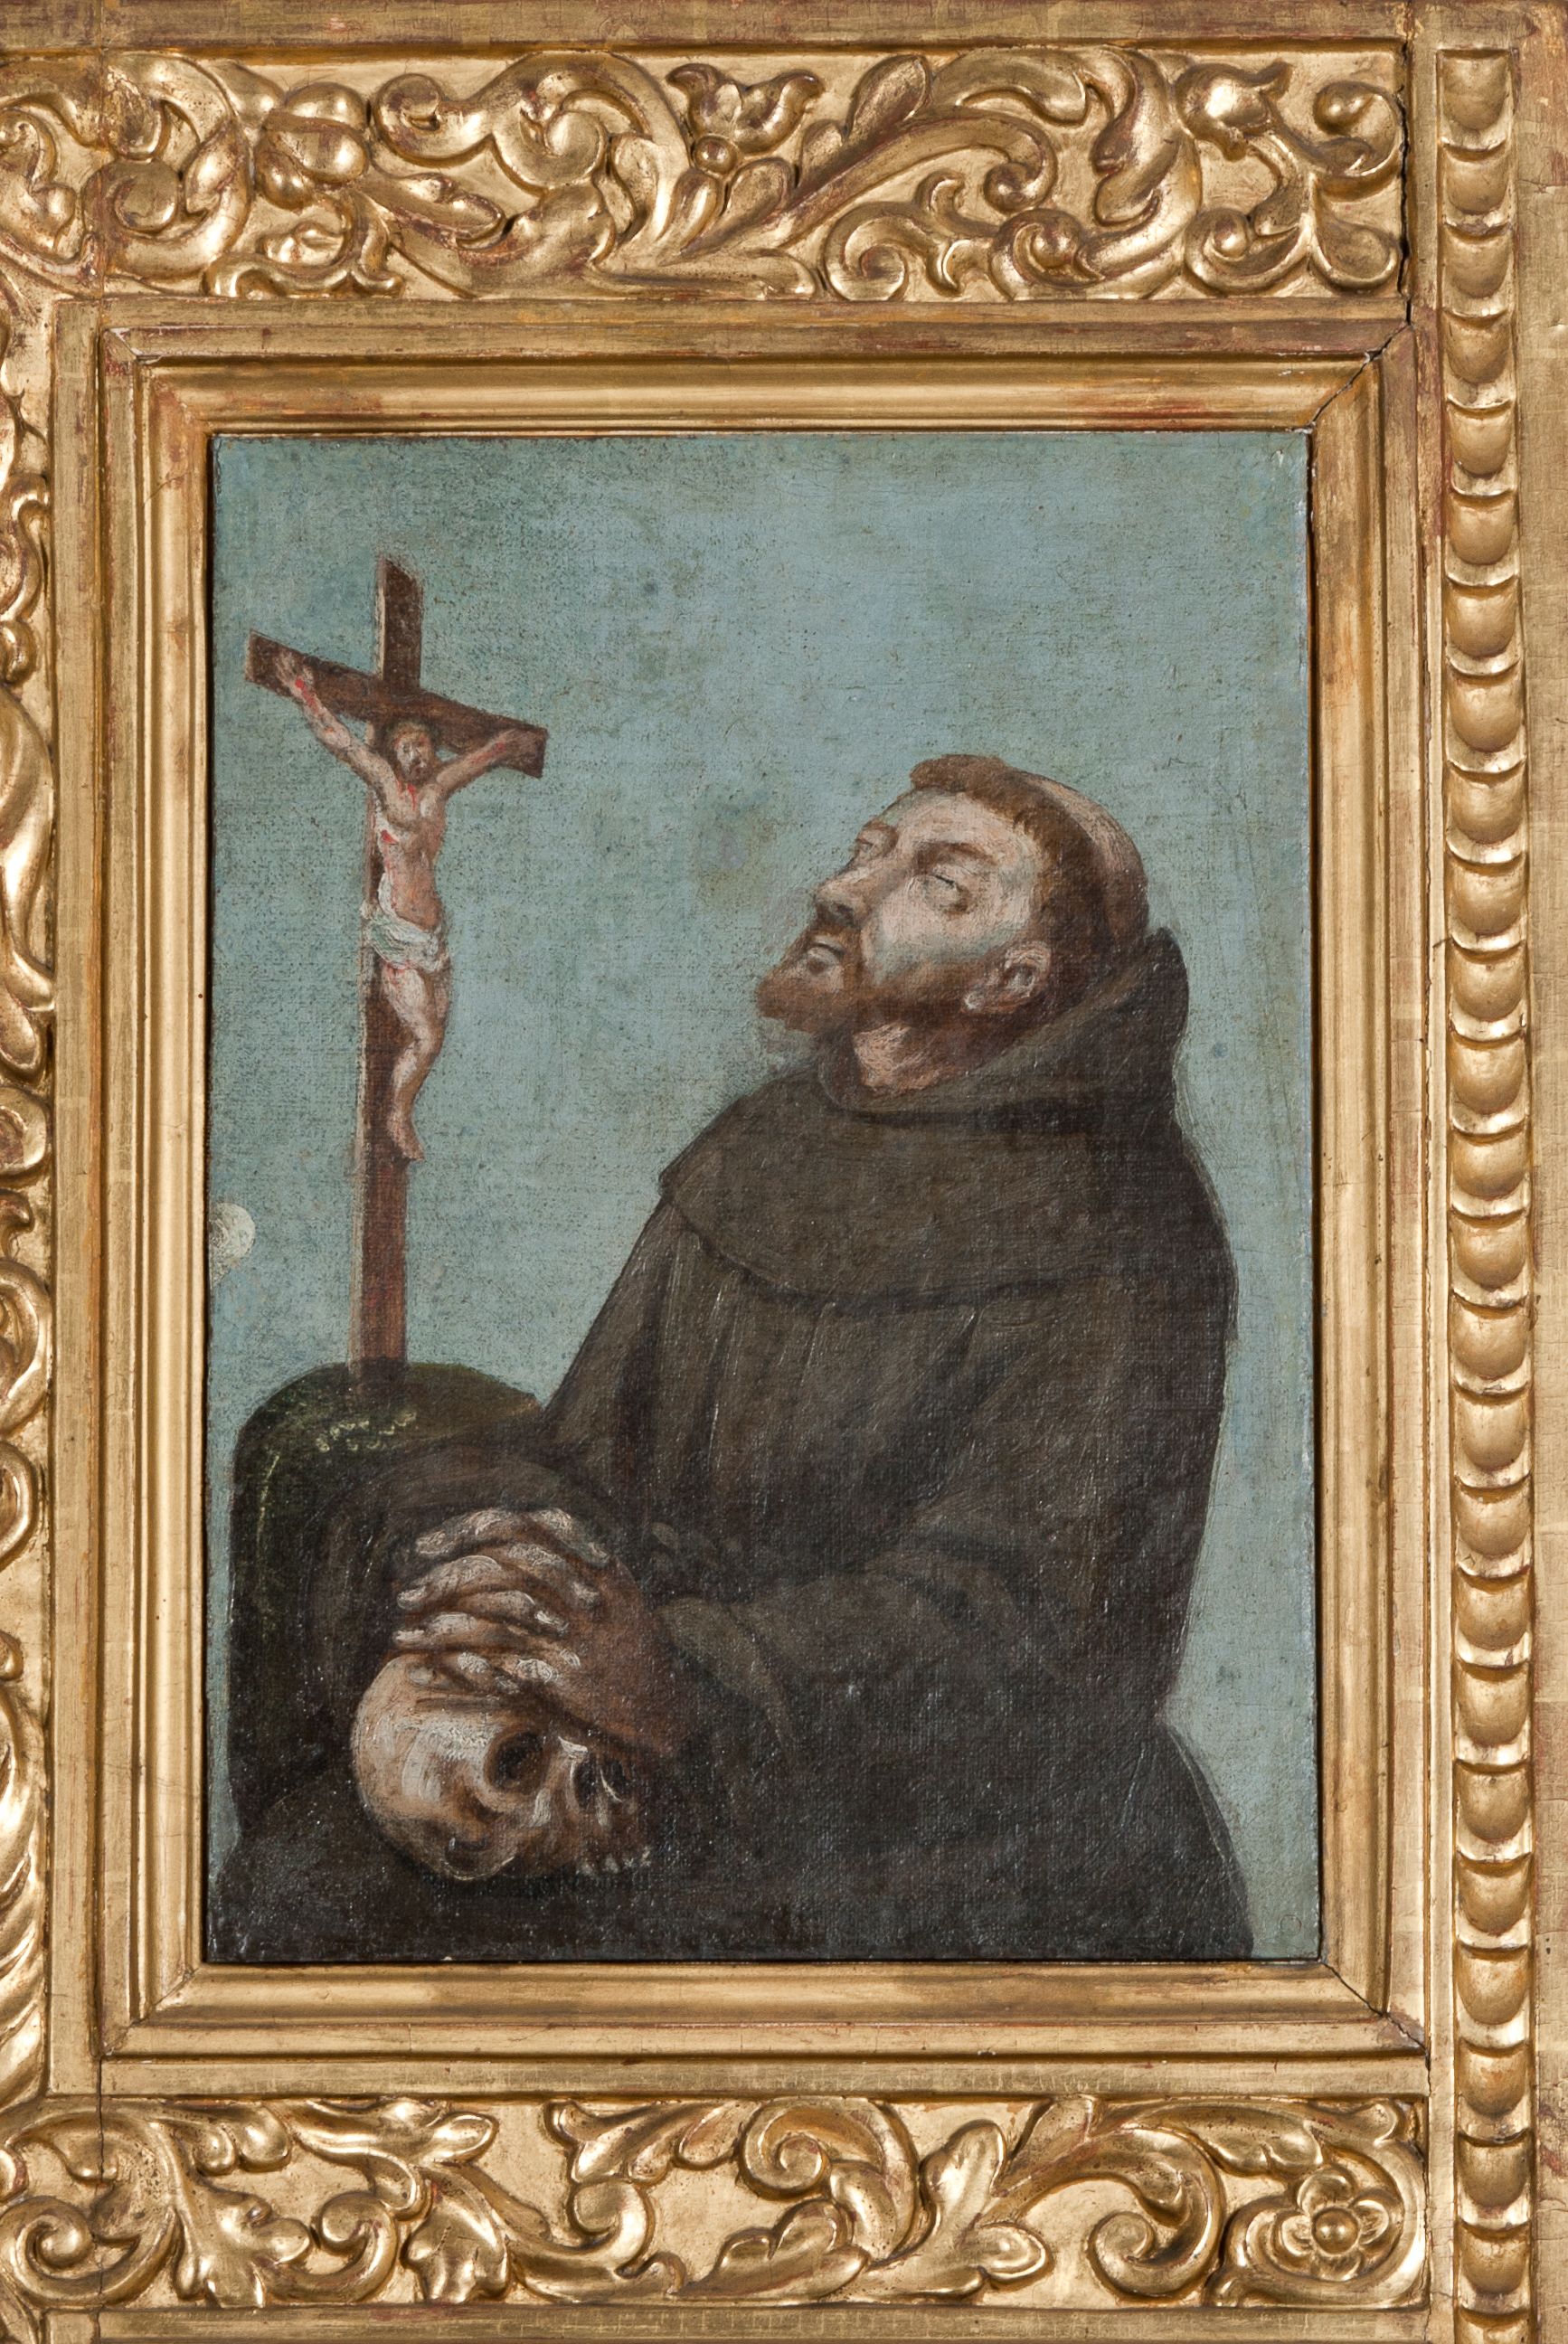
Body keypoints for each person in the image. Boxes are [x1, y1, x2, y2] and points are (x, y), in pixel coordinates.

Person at [213, 754, 1250, 1963]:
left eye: (937, 883)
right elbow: (595, 1455)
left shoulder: (1118, 1224)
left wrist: (682, 1677)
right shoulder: (765, 1143)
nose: (843, 888)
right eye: (867, 851)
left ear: (1010, 980)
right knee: (305, 1870)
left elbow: (1034, 1634)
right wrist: (496, 1569)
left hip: (927, 1811)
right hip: (645, 1715)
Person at [276, 648, 532, 1158]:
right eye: (405, 748)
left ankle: (402, 1107)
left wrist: (507, 744)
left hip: (434, 938)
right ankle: (398, 1115)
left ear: (432, 750)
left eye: (421, 746)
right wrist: (303, 692)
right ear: (394, 755)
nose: (415, 756)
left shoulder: (437, 790)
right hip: (399, 939)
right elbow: (341, 740)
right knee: (427, 1037)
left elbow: (481, 758)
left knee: (435, 1037)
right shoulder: (388, 787)